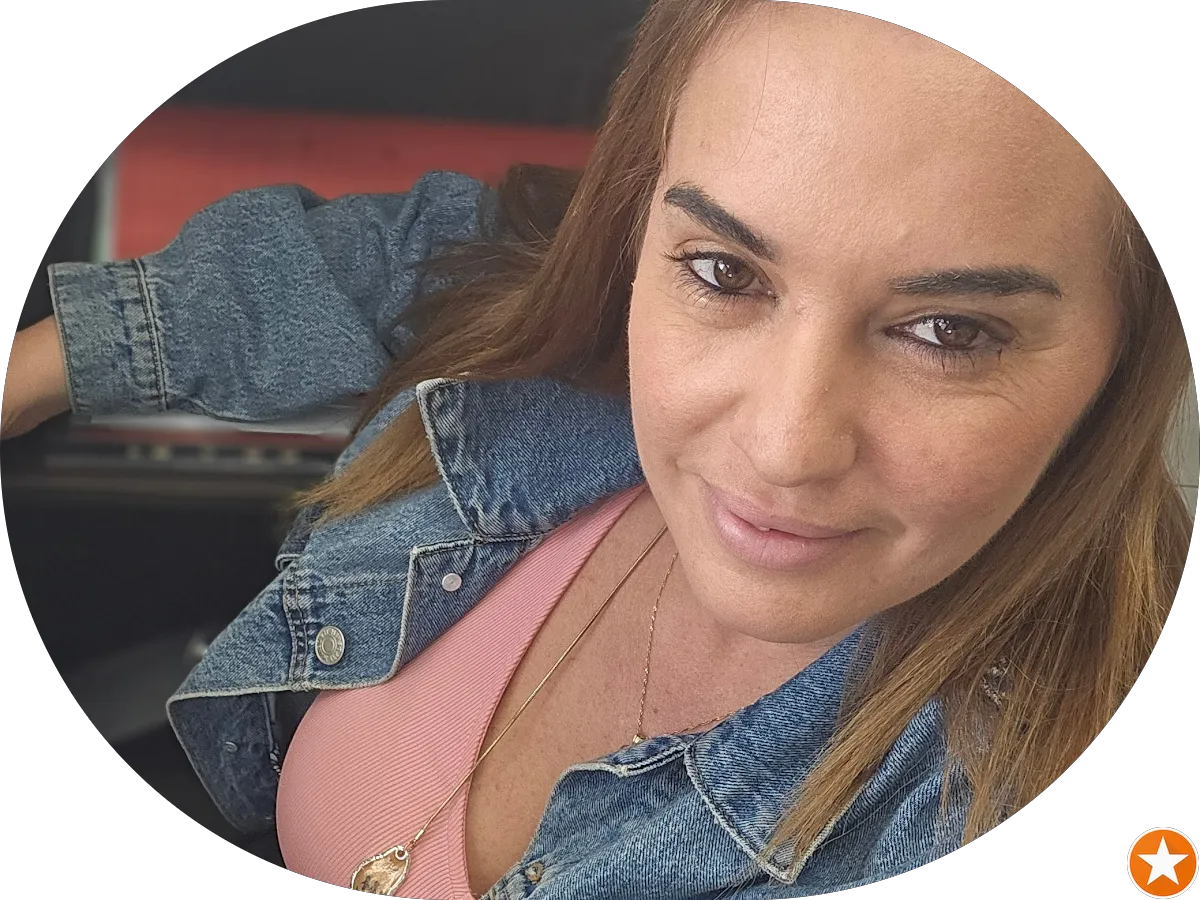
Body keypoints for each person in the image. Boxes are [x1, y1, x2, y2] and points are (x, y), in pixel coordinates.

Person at [4, 2, 1193, 898]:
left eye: (949, 332)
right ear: (636, 223)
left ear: (1129, 361)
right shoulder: (555, 344)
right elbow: (409, 252)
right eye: (723, 271)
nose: (783, 447)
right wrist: (43, 366)